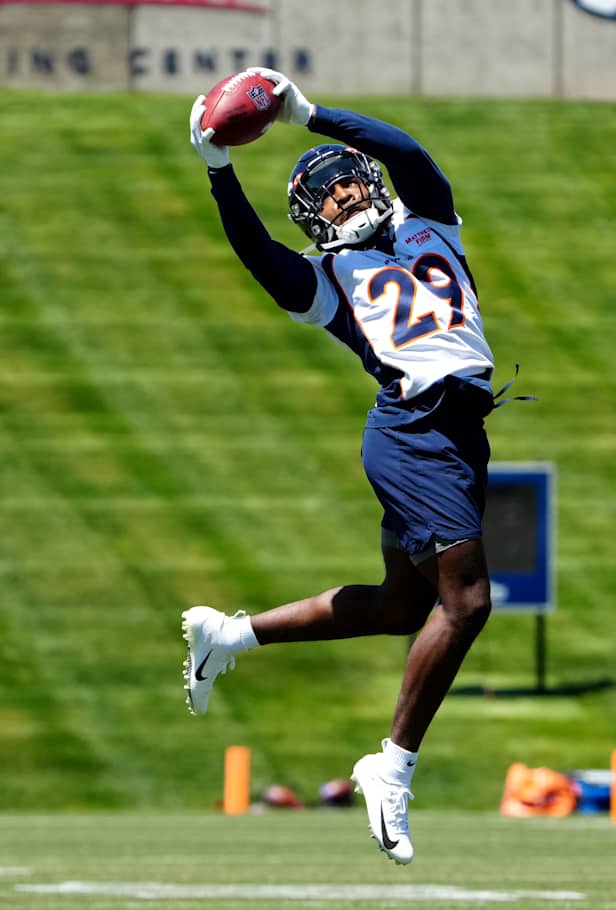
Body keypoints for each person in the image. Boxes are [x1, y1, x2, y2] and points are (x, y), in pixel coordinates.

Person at [184, 68, 505, 865]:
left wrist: (310, 113)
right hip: (414, 429)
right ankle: (391, 768)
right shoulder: (327, 278)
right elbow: (257, 252)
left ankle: (231, 636)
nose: (343, 196)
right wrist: (219, 169)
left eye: (347, 183)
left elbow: (409, 153)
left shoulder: (432, 221)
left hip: (458, 430)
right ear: (312, 219)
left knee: (403, 606)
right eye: (324, 197)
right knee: (467, 603)